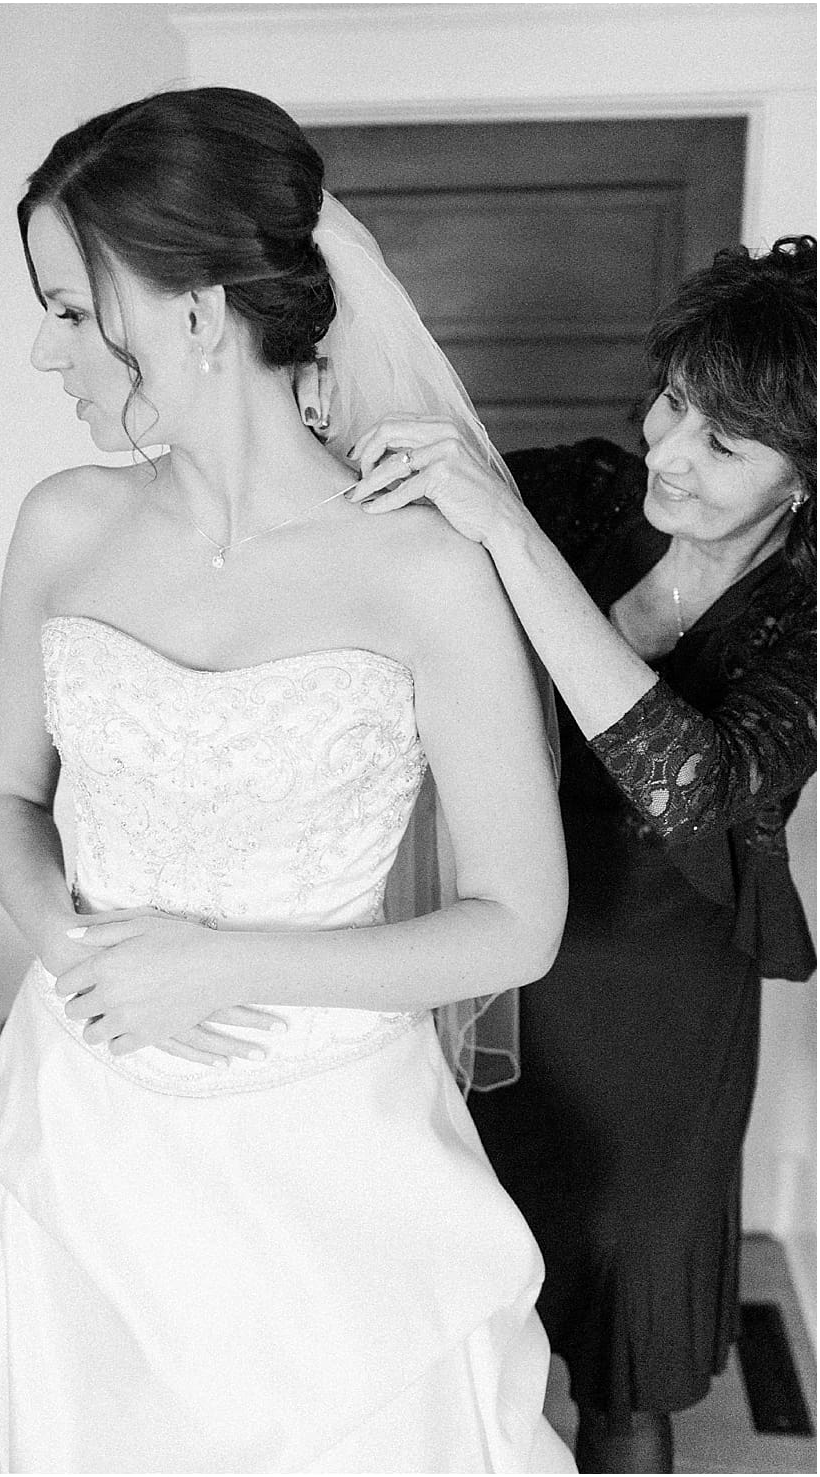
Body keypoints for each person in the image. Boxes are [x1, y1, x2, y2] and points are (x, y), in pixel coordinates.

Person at [0, 86, 576, 1471]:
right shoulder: (60, 525)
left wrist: (221, 970)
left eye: (65, 306)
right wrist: (76, 948)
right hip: (85, 1123)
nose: (41, 349)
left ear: (190, 306)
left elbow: (515, 919)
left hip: (323, 1160)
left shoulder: (420, 569)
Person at [347, 236, 816, 1473]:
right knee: (461, 1300)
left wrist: (509, 537)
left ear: (806, 482)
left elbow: (690, 781)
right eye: (674, 402)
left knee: (620, 1352)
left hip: (656, 1010)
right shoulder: (584, 493)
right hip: (492, 953)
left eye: (726, 443)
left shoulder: (804, 621)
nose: (668, 449)